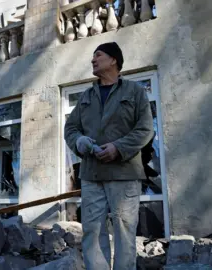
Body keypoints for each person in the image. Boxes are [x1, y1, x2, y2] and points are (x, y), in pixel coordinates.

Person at [64, 42, 153, 269]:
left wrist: (118, 147)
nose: (93, 60)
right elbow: (71, 129)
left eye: (98, 55)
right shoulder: (86, 96)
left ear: (114, 60)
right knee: (92, 231)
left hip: (124, 173)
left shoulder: (135, 92)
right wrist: (80, 141)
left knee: (124, 230)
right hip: (92, 175)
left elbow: (145, 129)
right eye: (93, 56)